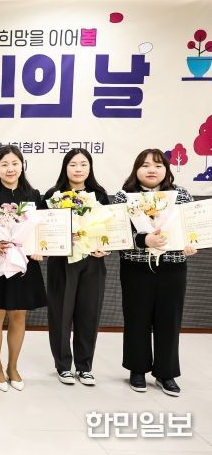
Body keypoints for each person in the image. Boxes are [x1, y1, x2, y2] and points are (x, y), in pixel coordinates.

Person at [112, 149, 196, 397]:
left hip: (173, 266)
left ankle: (165, 373)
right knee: (136, 318)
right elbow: (117, 233)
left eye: (158, 166)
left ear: (166, 170)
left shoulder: (181, 194)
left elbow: (192, 226)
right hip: (136, 267)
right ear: (136, 169)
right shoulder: (124, 196)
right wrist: (143, 239)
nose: (152, 170)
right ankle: (137, 369)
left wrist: (192, 242)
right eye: (146, 165)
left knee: (169, 320)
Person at [0, 145, 46, 392]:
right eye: (4, 164)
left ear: (22, 166)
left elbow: (42, 228)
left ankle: (13, 366)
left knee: (18, 315)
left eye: (15, 163)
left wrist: (40, 247)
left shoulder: (34, 195)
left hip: (24, 264)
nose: (10, 169)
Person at [44, 148, 110, 387]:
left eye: (83, 164)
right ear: (65, 168)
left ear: (90, 168)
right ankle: (63, 366)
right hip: (62, 262)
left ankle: (85, 367)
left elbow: (109, 227)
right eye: (73, 164)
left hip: (93, 261)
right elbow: (43, 228)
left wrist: (105, 247)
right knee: (61, 314)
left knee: (89, 314)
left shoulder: (99, 195)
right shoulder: (53, 195)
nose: (78, 169)